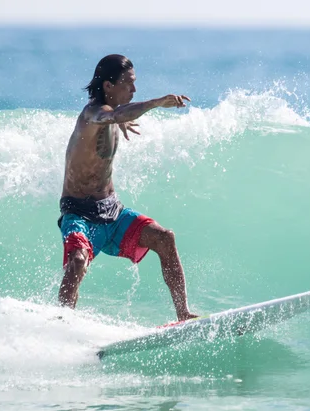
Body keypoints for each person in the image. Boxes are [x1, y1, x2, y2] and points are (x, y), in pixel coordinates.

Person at [57, 54, 198, 321]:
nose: (133, 90)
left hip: (112, 210)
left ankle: (183, 314)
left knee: (165, 238)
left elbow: (116, 115)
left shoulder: (111, 115)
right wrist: (157, 103)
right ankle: (62, 323)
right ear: (108, 86)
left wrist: (120, 119)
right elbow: (110, 115)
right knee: (77, 261)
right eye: (127, 84)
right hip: (79, 213)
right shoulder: (92, 114)